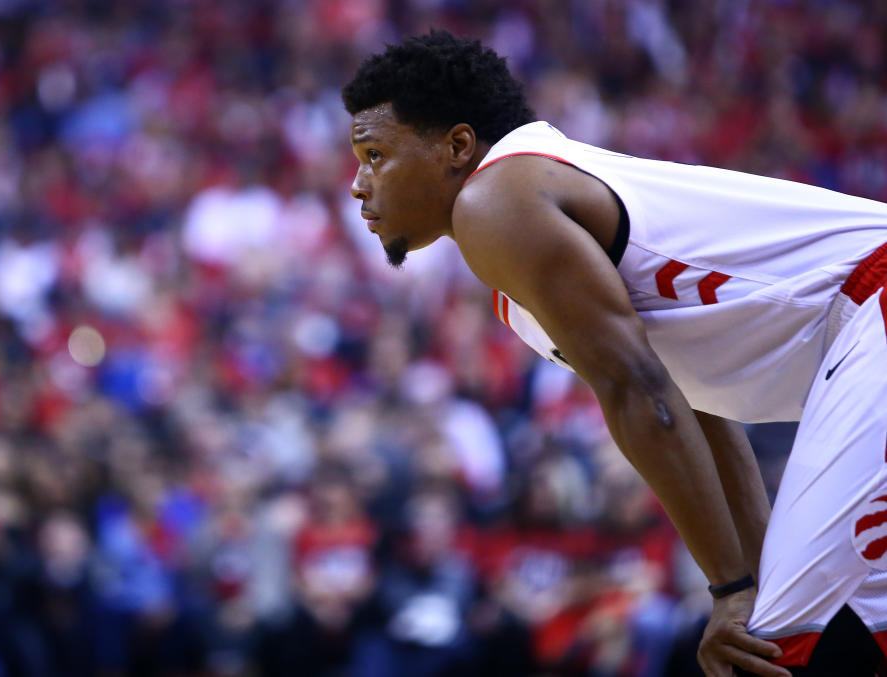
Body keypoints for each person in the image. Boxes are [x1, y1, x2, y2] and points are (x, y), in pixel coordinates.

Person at [342, 31, 887, 677]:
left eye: (374, 154)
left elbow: (638, 389)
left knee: (777, 650)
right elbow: (699, 411)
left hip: (871, 305)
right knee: (839, 632)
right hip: (857, 332)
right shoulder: (526, 222)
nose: (358, 184)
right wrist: (748, 580)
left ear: (457, 146)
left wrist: (730, 589)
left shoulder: (498, 201)